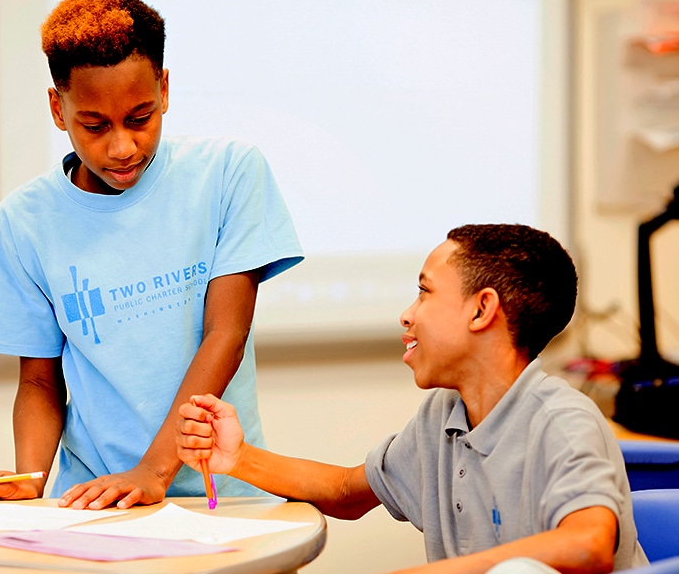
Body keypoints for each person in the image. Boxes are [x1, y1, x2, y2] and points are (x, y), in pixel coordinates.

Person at [0, 0, 302, 509]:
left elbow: (225, 335)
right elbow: (39, 382)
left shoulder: (228, 175)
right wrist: (30, 478)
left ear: (164, 90)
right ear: (58, 108)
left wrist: (152, 471)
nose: (122, 147)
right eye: (94, 126)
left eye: (140, 118)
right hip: (95, 501)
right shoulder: (23, 222)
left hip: (225, 496)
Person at [178, 224, 648, 573]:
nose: (407, 315)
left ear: (482, 309)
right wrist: (236, 457)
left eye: (424, 293)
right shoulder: (443, 418)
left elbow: (588, 546)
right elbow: (347, 492)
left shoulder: (562, 420)